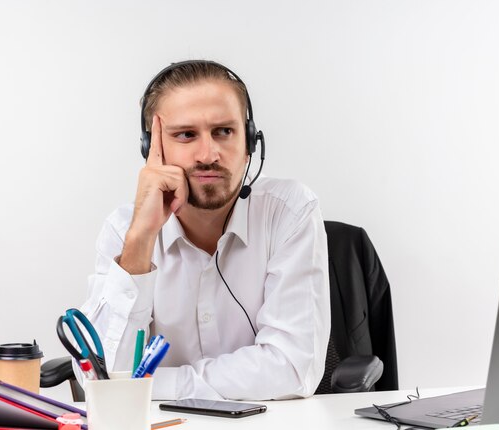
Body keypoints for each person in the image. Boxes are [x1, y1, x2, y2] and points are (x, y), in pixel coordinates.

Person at [77, 60, 330, 400]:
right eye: (186, 135)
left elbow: (290, 369)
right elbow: (103, 372)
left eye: (224, 132)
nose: (208, 154)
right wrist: (139, 241)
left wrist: (147, 387)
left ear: (250, 141)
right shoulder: (124, 230)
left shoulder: (289, 212)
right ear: (151, 147)